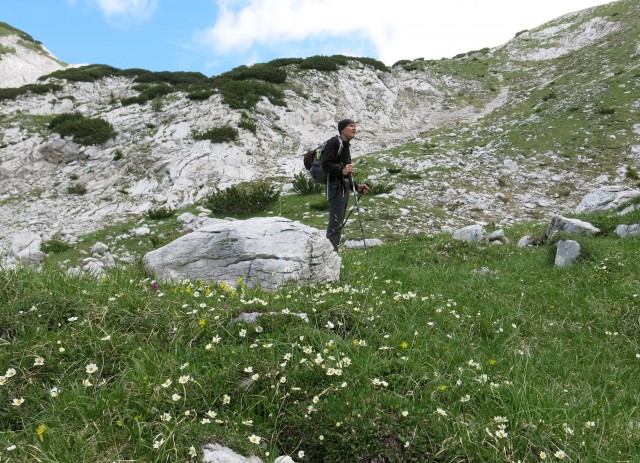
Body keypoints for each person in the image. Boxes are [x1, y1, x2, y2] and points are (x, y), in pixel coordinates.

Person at [322, 118, 369, 252]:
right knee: (336, 222)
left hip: (342, 187)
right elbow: (326, 164)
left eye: (355, 126)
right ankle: (330, 254)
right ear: (342, 129)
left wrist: (356, 186)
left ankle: (331, 251)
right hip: (335, 187)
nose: (354, 128)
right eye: (351, 126)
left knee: (338, 222)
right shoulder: (335, 142)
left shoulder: (345, 145)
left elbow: (345, 172)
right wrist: (341, 171)